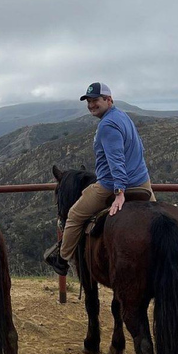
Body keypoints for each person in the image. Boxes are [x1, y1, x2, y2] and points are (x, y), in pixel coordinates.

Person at [44, 82, 156, 275]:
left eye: (95, 100)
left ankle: (62, 259)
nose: (91, 105)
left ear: (108, 99)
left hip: (110, 184)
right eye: (88, 101)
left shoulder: (107, 125)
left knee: (74, 216)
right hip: (141, 182)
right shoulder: (123, 116)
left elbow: (116, 160)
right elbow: (139, 148)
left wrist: (119, 192)